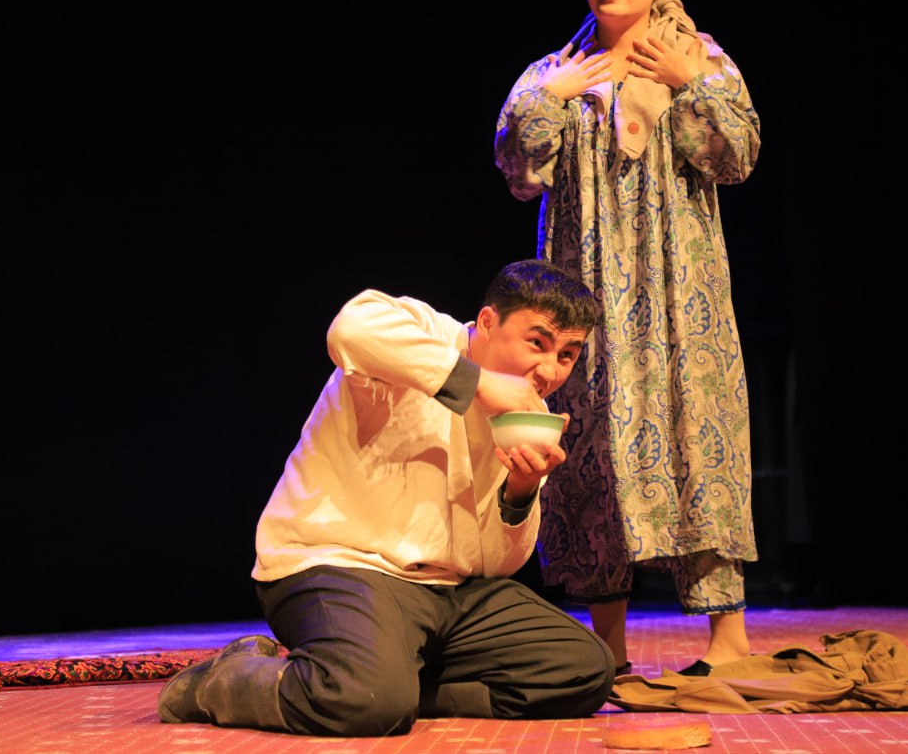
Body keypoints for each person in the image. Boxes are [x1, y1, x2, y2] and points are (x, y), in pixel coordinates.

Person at [156, 259, 614, 736]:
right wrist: (477, 383)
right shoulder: (426, 338)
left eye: (567, 355)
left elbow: (499, 565)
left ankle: (395, 688)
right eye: (537, 343)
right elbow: (350, 329)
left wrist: (520, 492)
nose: (549, 371)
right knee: (364, 701)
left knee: (583, 669)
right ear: (487, 322)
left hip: (448, 591)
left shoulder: (527, 415)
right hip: (338, 565)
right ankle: (221, 682)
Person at [494, 0, 761, 677]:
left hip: (680, 287)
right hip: (587, 290)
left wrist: (686, 83)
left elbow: (737, 155)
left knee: (697, 431)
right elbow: (518, 169)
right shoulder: (557, 70)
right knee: (594, 442)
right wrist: (551, 100)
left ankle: (729, 639)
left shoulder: (700, 57)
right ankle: (607, 642)